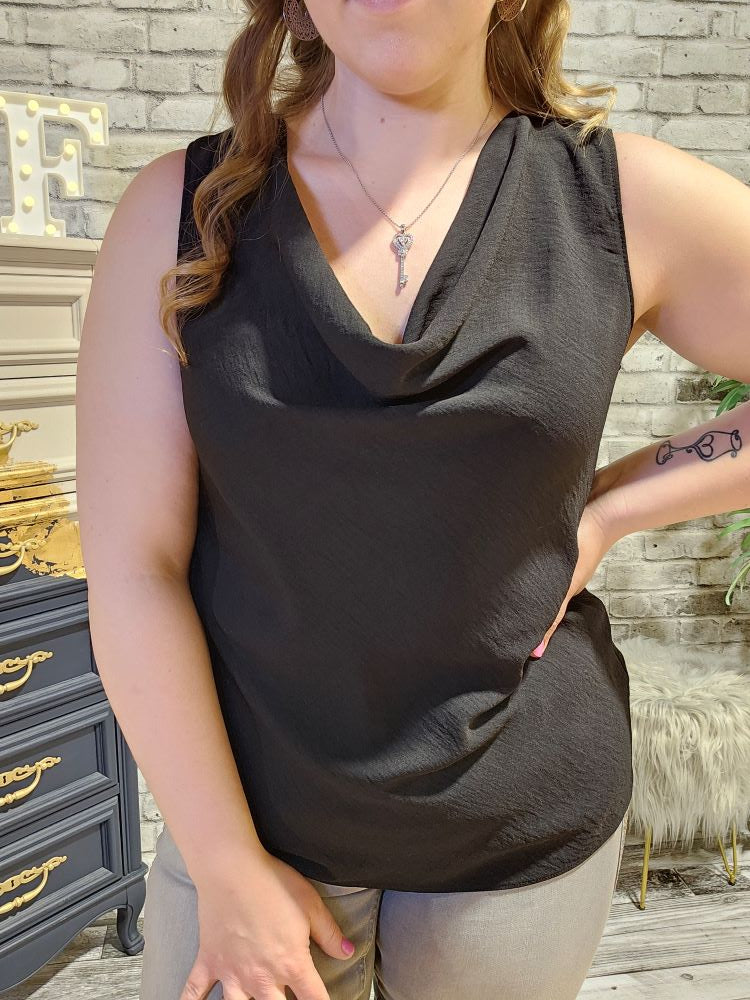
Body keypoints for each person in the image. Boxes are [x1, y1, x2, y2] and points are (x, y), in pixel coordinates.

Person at [75, 0, 750, 998]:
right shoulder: (178, 212)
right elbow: (136, 568)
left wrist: (611, 508)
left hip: (521, 824)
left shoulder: (623, 200)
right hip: (252, 820)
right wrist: (223, 864)